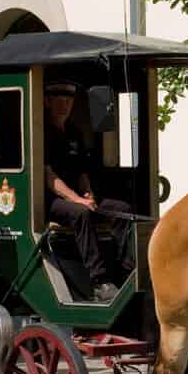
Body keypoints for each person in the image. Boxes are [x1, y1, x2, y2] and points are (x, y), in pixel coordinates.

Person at [44, 79, 133, 302]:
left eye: (68, 100)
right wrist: (78, 200)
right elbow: (49, 177)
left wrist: (88, 194)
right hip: (50, 200)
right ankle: (99, 282)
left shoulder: (74, 132)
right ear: (47, 101)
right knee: (81, 213)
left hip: (76, 197)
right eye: (59, 100)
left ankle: (126, 271)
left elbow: (82, 172)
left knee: (122, 210)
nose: (65, 105)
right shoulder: (42, 131)